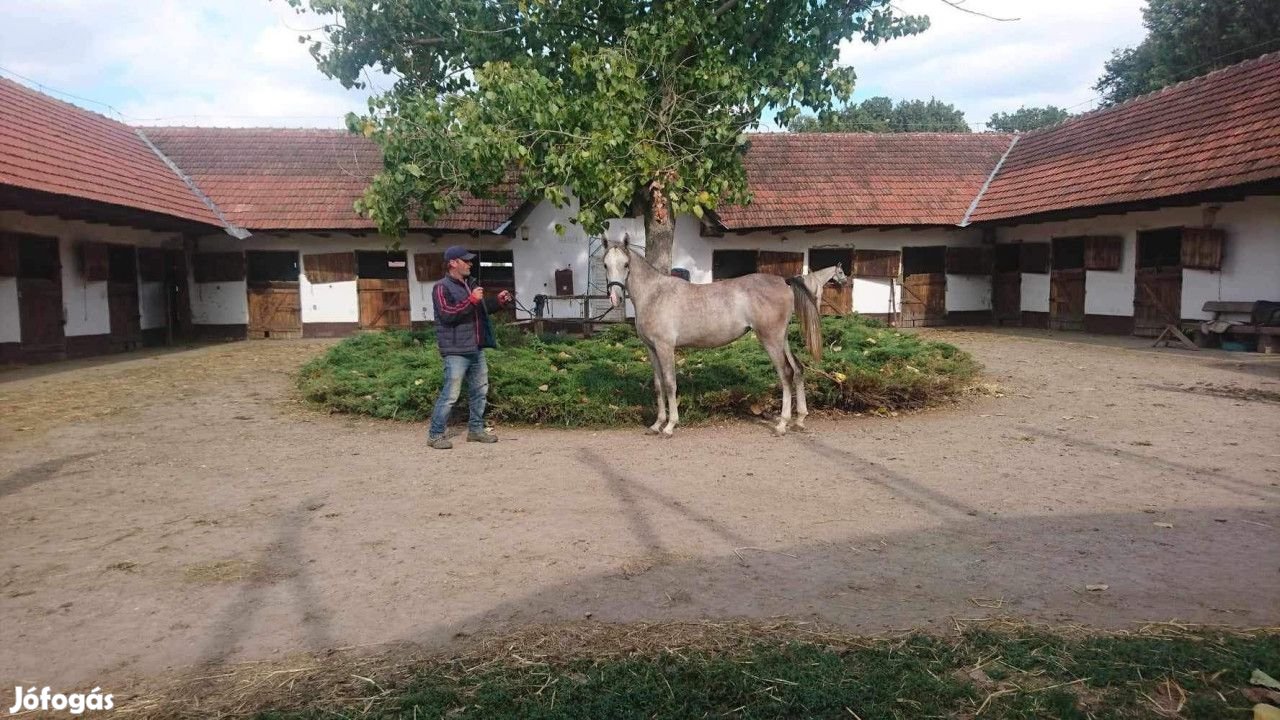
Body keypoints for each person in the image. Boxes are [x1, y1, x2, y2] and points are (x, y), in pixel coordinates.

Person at [428, 246, 513, 449]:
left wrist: (498, 302)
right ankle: (435, 435)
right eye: (465, 260)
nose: (470, 263)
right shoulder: (441, 287)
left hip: (476, 348)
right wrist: (471, 300)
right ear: (453, 263)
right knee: (450, 395)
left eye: (470, 261)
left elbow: (479, 309)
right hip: (455, 350)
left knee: (479, 391)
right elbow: (448, 314)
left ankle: (475, 430)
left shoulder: (470, 284)